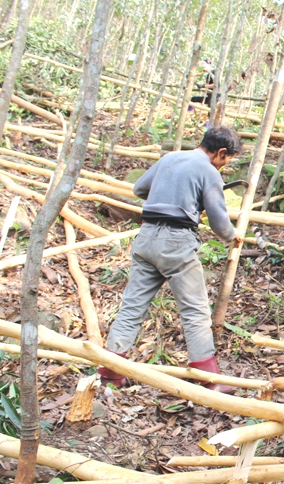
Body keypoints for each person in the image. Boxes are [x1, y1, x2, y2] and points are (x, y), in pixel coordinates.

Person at [97, 127, 242, 393]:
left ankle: (110, 371)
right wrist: (233, 236)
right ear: (221, 152)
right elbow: (220, 222)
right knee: (195, 309)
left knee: (132, 306)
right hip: (177, 241)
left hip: (147, 237)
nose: (225, 165)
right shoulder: (209, 171)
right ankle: (208, 377)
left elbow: (140, 188)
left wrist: (169, 197)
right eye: (227, 159)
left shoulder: (170, 158)